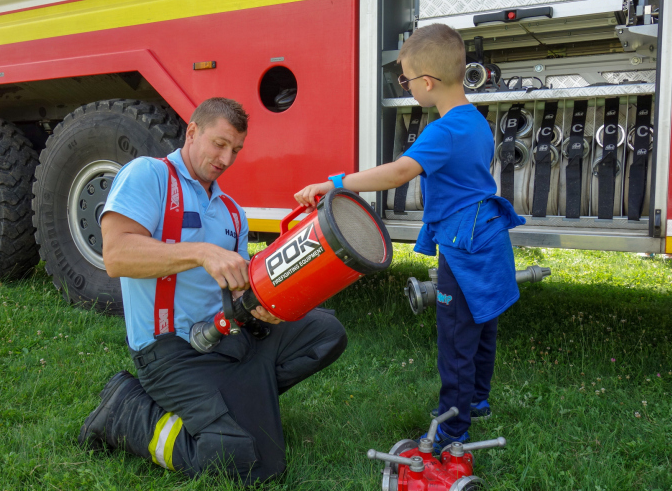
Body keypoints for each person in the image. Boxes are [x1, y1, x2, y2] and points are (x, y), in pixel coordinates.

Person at [79, 97, 347, 484]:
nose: (226, 158)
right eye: (219, 144)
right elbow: (117, 255)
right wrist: (202, 253)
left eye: (235, 150)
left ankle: (237, 402)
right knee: (247, 463)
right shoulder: (149, 175)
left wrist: (261, 306)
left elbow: (237, 290)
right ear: (192, 131)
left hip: (228, 336)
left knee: (325, 333)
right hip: (170, 352)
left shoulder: (232, 212)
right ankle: (126, 412)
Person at [295, 24, 524, 453]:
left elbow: (399, 171)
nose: (406, 86)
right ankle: (476, 401)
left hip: (463, 243)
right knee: (483, 323)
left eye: (405, 79)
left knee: (456, 337)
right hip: (489, 237)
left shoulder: (443, 131)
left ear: (427, 82)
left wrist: (337, 184)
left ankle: (452, 432)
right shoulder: (476, 121)